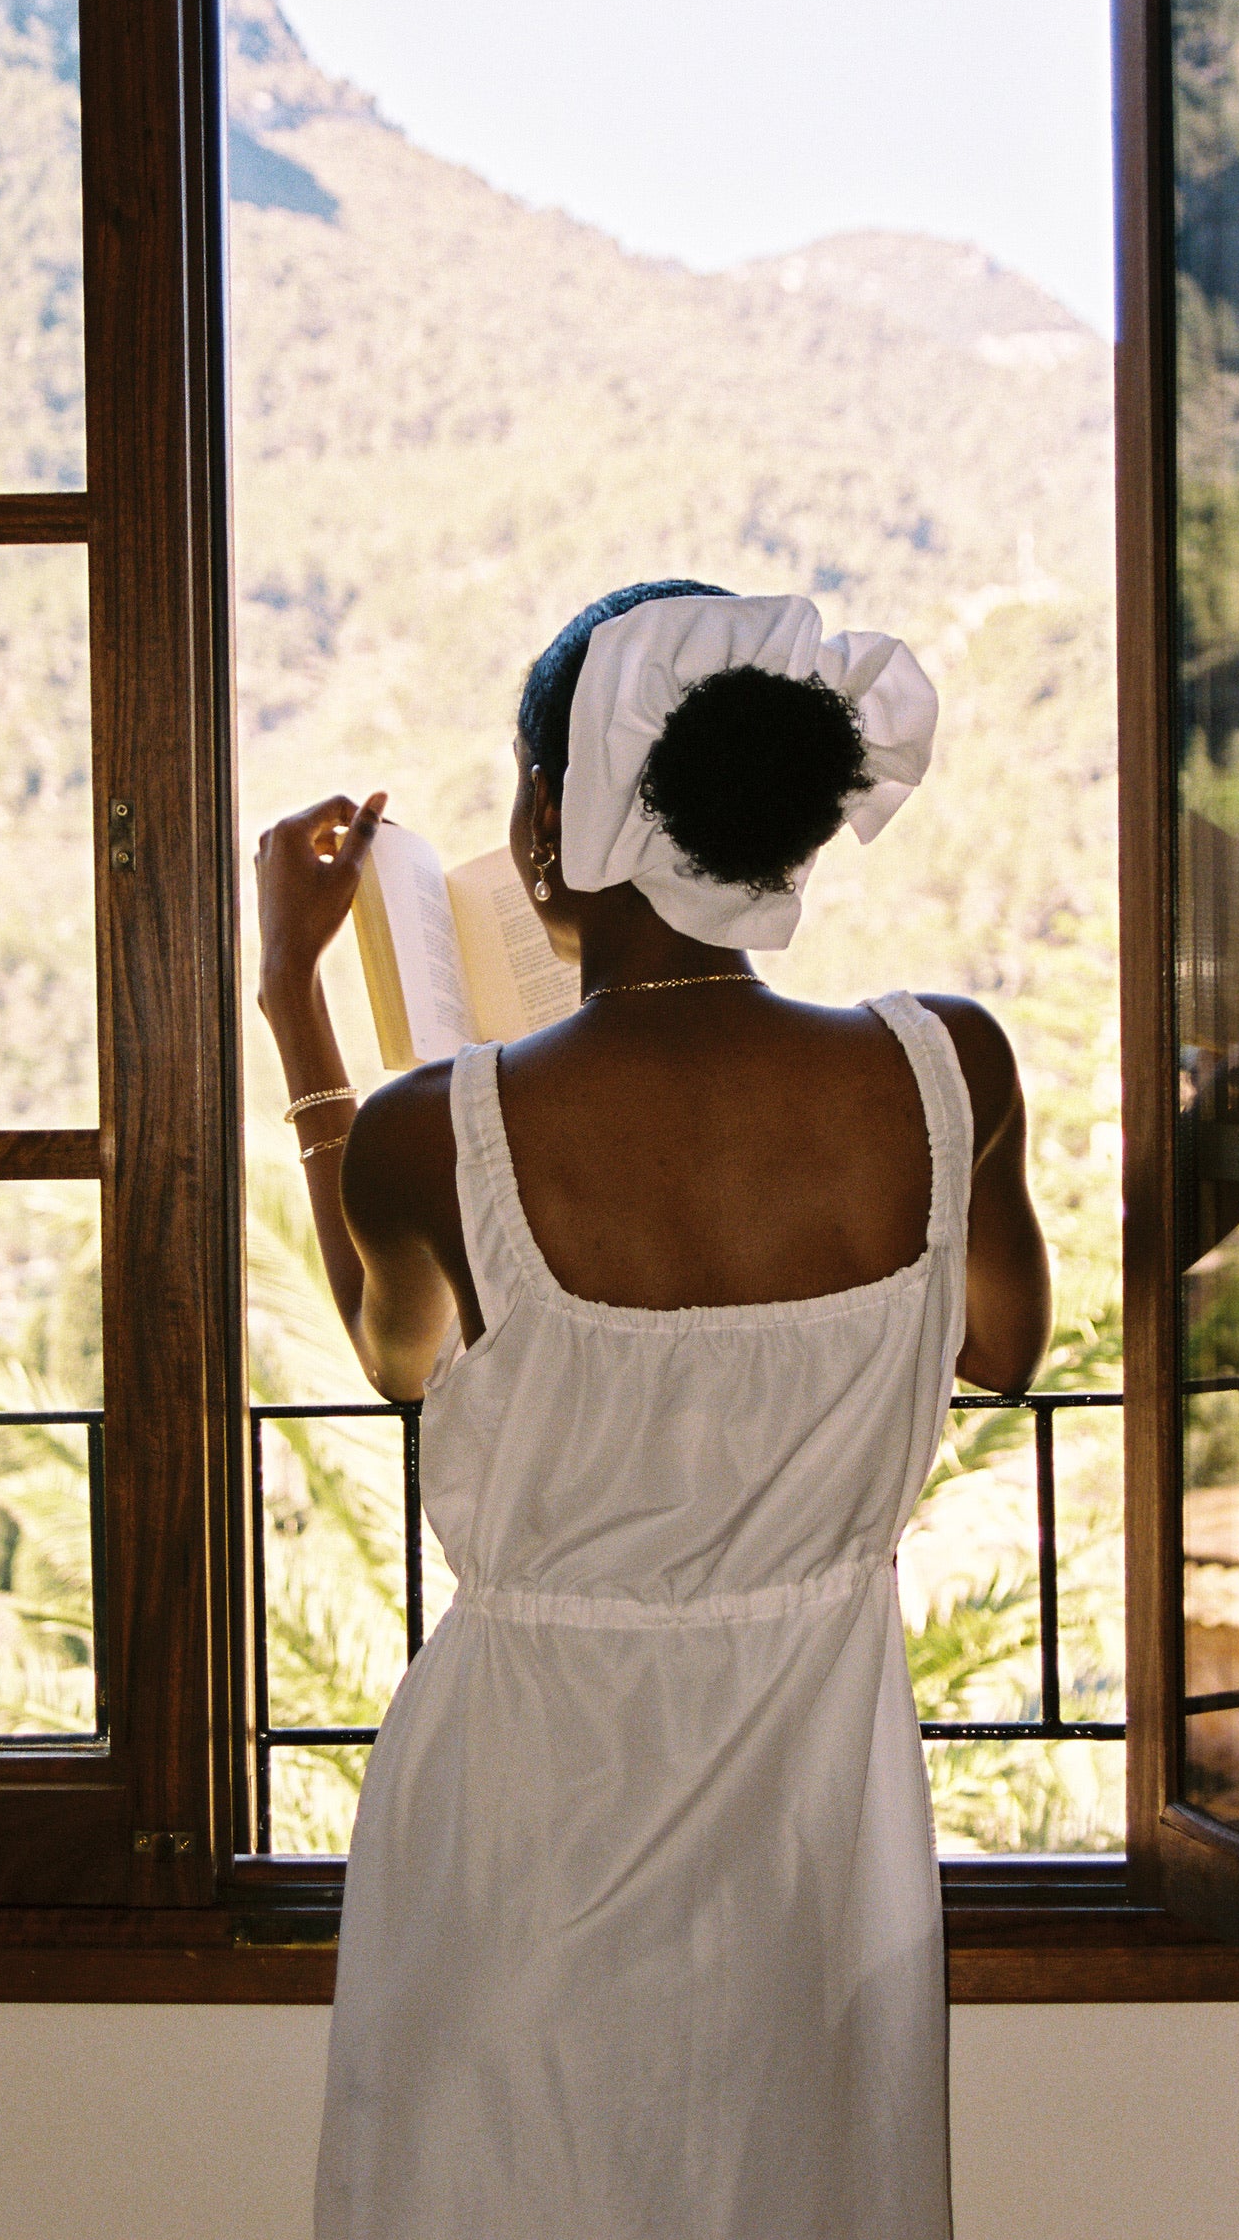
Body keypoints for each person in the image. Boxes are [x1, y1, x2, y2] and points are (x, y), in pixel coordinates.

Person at [256, 582, 1050, 2240]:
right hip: (812, 1833)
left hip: (521, 1816)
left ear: (556, 822)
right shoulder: (946, 1069)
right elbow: (1001, 1343)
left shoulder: (431, 1133)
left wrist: (295, 1000)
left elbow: (398, 1359)